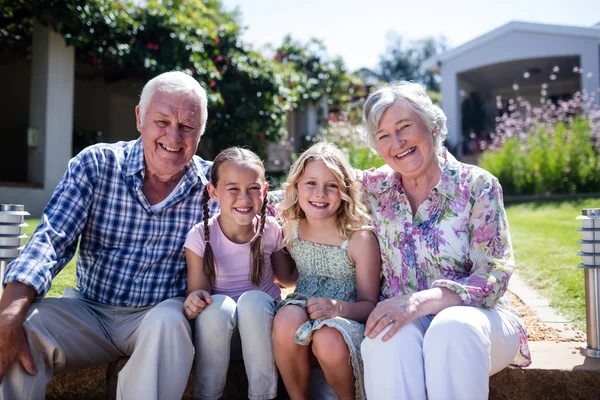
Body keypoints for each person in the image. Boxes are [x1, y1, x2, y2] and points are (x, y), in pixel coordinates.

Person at [0, 71, 217, 400]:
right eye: (161, 121)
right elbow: (50, 241)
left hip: (157, 315)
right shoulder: (96, 164)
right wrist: (8, 314)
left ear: (200, 132)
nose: (174, 137)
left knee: (169, 324)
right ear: (140, 118)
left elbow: (264, 221)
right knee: (22, 328)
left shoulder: (215, 187)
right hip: (89, 310)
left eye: (187, 127)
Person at [358, 81, 531, 400]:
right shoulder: (373, 188)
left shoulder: (477, 185)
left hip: (480, 319)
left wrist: (419, 302)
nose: (397, 143)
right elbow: (311, 188)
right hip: (406, 322)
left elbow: (493, 275)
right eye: (383, 136)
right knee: (385, 338)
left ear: (434, 125)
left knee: (451, 328)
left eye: (405, 126)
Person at [183, 147, 296, 400]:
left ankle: (263, 396)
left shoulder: (271, 231)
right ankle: (207, 395)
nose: (244, 198)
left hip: (264, 330)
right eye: (233, 188)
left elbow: (288, 278)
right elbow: (198, 292)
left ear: (264, 191)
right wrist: (194, 301)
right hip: (220, 336)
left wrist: (297, 235)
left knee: (254, 301)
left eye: (253, 188)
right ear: (213, 192)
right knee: (218, 306)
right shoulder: (200, 236)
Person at [272, 142, 381, 400]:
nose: (320, 193)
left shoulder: (358, 238)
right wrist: (270, 241)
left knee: (327, 339)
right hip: (305, 304)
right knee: (285, 319)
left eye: (331, 185)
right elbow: (288, 278)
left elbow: (369, 303)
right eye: (310, 183)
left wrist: (337, 309)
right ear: (296, 185)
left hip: (346, 316)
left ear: (344, 191)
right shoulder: (291, 226)